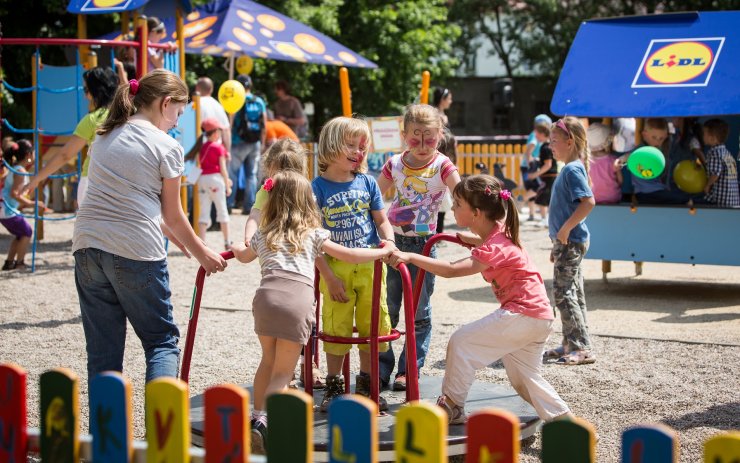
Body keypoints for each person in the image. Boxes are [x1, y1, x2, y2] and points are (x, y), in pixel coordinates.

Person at [72, 70, 227, 385]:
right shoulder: (166, 146)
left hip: (87, 245)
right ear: (166, 102)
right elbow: (172, 213)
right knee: (161, 342)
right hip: (135, 250)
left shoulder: (102, 134)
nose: (176, 122)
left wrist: (180, 241)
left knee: (103, 351)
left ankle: (106, 433)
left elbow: (136, 203)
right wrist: (203, 253)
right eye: (178, 113)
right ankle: (162, 432)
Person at [386, 175, 573, 425]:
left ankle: (451, 405)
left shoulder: (495, 246)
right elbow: (486, 241)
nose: (452, 209)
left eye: (457, 205)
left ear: (475, 213)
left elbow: (452, 269)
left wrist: (410, 257)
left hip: (523, 313)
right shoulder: (501, 232)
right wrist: (468, 240)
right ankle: (565, 422)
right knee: (525, 379)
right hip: (538, 317)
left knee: (462, 342)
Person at [231, 170, 391, 454]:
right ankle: (264, 425)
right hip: (296, 302)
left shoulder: (263, 234)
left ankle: (256, 415)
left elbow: (243, 257)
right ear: (307, 203)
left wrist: (235, 246)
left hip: (265, 300)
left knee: (267, 361)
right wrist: (381, 252)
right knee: (283, 371)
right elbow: (350, 255)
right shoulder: (313, 234)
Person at [312, 116, 396, 412]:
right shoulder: (317, 189)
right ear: (331, 145)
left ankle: (366, 385)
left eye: (362, 147)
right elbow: (312, 238)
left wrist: (390, 242)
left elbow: (382, 220)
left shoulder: (368, 182)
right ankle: (334, 388)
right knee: (338, 326)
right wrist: (329, 277)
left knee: (373, 323)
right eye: (351, 145)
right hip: (336, 267)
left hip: (372, 266)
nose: (358, 152)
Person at [376, 104, 460, 391]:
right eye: (416, 137)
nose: (423, 145)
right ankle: (381, 368)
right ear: (404, 135)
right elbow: (374, 196)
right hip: (393, 244)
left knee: (419, 313)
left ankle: (408, 370)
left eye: (430, 137)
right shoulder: (395, 163)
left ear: (439, 135)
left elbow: (460, 194)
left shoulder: (442, 165)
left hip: (424, 247)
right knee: (387, 309)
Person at [23, 67, 119, 206]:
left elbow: (65, 155)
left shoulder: (92, 120)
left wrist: (37, 178)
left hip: (93, 183)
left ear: (96, 92)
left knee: (88, 227)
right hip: (119, 183)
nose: (86, 96)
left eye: (87, 90)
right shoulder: (127, 115)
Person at [543, 117, 596, 365]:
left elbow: (588, 202)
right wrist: (558, 243)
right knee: (574, 293)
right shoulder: (570, 168)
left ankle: (580, 347)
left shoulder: (572, 169)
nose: (550, 146)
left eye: (554, 141)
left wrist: (564, 231)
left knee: (563, 294)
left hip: (571, 241)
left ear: (570, 141)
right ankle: (571, 342)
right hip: (567, 242)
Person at [618, 118, 690, 204]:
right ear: (645, 135)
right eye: (654, 137)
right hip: (645, 192)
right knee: (684, 200)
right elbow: (625, 159)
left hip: (658, 190)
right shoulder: (641, 151)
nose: (657, 142)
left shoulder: (660, 151)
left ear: (666, 136)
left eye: (661, 139)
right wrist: (623, 160)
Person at [1, 140, 41, 271]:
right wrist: (32, 203)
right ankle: (20, 262)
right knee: (27, 231)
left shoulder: (16, 168)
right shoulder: (20, 171)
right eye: (34, 153)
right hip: (7, 210)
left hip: (5, 209)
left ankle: (9, 262)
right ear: (28, 155)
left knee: (20, 234)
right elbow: (14, 194)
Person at [230, 74, 267, 214]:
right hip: (255, 142)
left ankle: (229, 203)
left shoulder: (236, 100)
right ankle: (249, 205)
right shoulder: (259, 101)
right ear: (250, 85)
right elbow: (264, 123)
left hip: (237, 142)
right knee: (251, 175)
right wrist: (262, 143)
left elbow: (231, 122)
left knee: (232, 173)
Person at [196, 118, 232, 250]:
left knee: (204, 212)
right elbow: (223, 169)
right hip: (216, 180)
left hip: (203, 180)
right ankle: (227, 241)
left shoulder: (202, 147)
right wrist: (227, 185)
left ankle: (202, 242)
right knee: (222, 210)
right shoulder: (219, 147)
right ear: (215, 132)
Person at [522, 123, 556, 225]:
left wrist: (535, 174)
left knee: (543, 198)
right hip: (550, 177)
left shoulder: (545, 147)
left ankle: (544, 219)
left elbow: (548, 164)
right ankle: (545, 219)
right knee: (546, 198)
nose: (535, 138)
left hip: (548, 177)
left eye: (537, 135)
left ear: (542, 134)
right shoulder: (548, 146)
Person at [702, 118, 739, 207]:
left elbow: (715, 174)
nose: (702, 136)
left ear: (713, 138)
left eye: (704, 134)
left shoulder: (714, 153)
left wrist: (707, 185)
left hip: (722, 198)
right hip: (733, 198)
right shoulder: (726, 152)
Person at [195, 77, 232, 155]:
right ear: (211, 89)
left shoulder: (194, 106)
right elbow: (226, 130)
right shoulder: (219, 106)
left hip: (200, 150)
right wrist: (227, 151)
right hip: (216, 151)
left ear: (197, 88)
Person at [587, 123, 622, 204]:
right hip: (612, 197)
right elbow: (620, 181)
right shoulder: (613, 160)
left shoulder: (583, 160)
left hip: (591, 198)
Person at [436, 128, 457, 233]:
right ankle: (438, 235)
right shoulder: (448, 161)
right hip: (443, 190)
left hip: (436, 190)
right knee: (441, 213)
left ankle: (436, 235)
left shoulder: (436, 159)